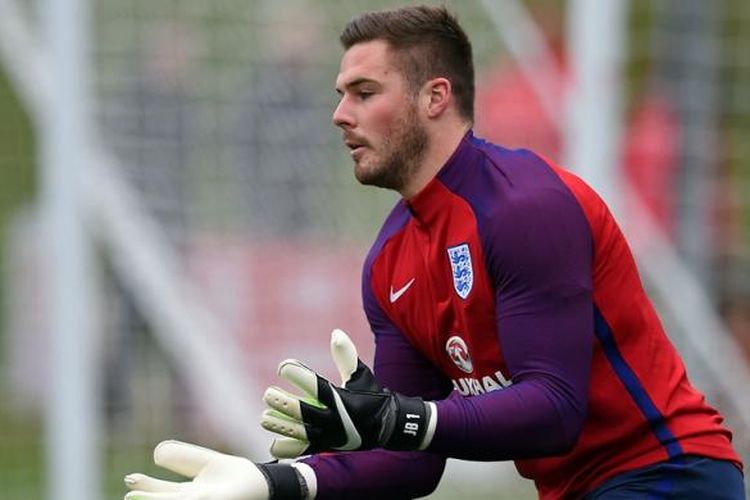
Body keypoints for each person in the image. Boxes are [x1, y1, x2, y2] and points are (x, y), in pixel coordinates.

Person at [124, 5, 746, 500]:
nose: (340, 114)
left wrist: (400, 418)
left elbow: (555, 409)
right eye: (341, 94)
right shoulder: (390, 263)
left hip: (670, 474)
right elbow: (408, 467)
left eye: (365, 92)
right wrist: (273, 481)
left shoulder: (526, 207)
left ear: (435, 97)